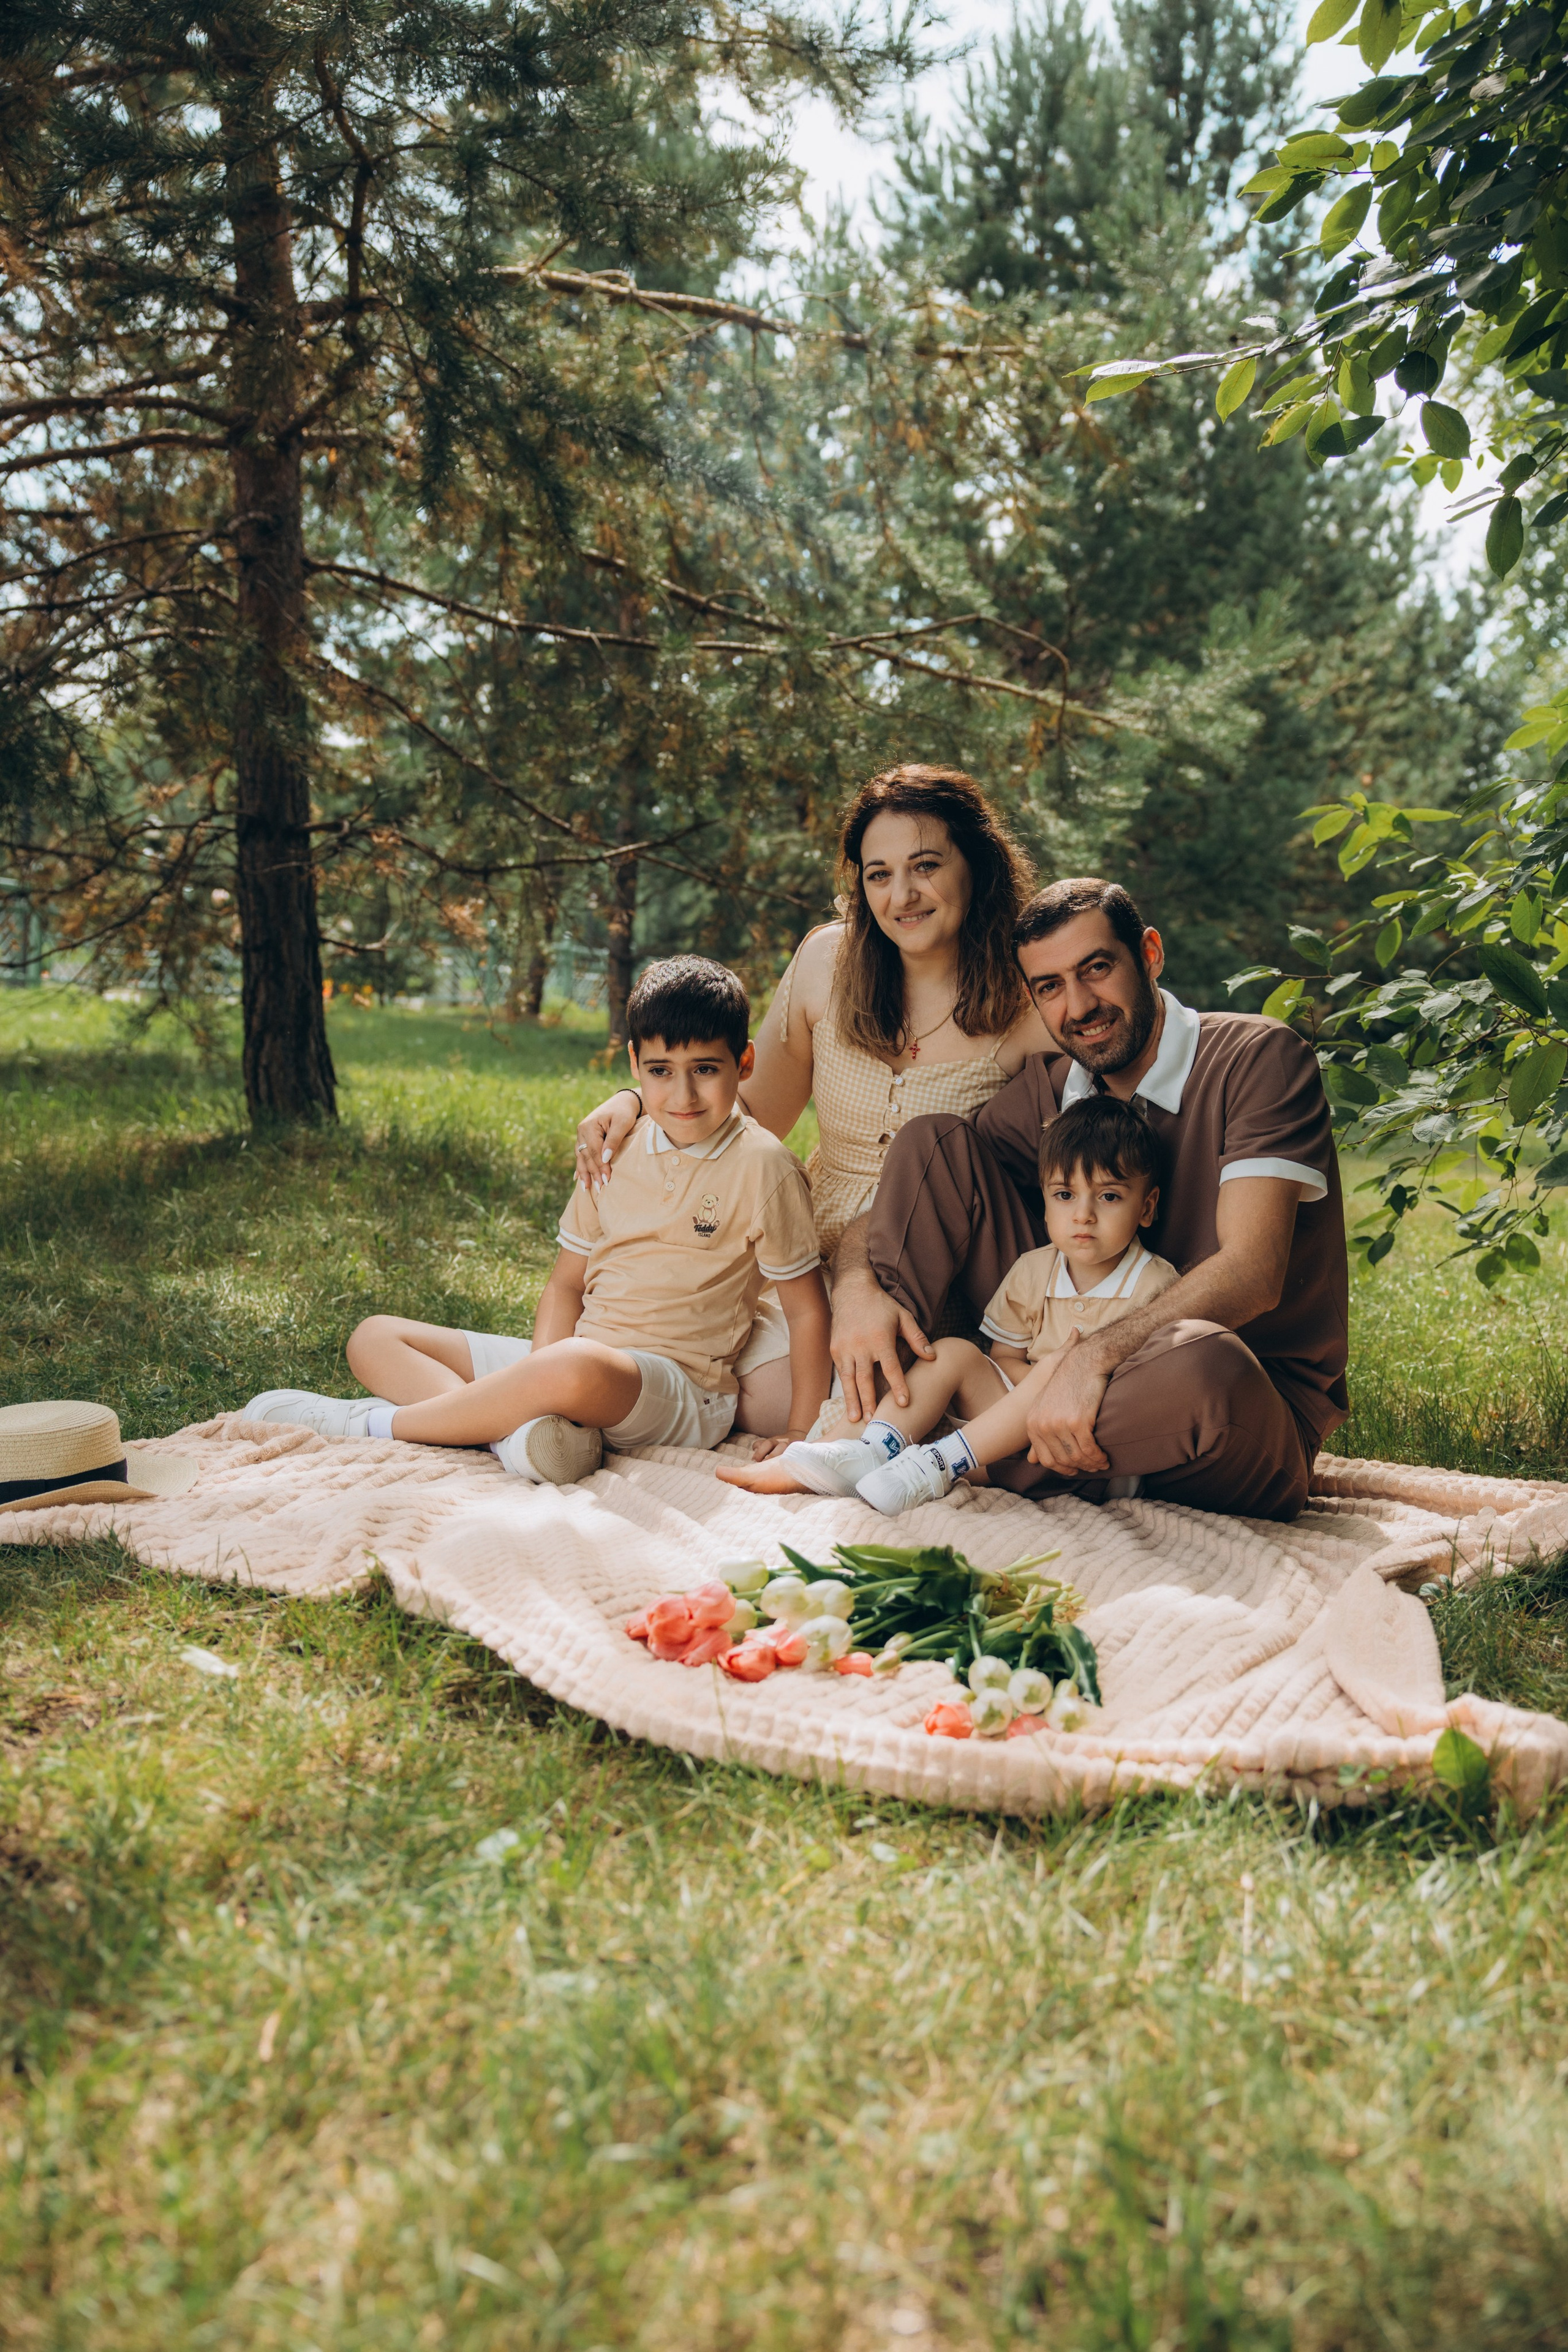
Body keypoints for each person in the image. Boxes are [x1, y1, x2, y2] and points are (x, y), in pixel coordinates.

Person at [826, 877, 1349, 1522]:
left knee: (1203, 1355)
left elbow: (1252, 1274)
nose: (1078, 1006)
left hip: (1228, 1405)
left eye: (1096, 969)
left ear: (1150, 955)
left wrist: (1093, 1358)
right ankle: (859, 1427)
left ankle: (951, 1446)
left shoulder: (1256, 1058)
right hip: (1047, 1381)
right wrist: (854, 1283)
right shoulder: (1050, 1093)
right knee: (929, 1142)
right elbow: (915, 1193)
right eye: (1049, 987)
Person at [571, 766, 1052, 1445]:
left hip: (935, 1274)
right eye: (878, 873)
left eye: (925, 866)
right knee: (724, 1375)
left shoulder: (1027, 999)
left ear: (976, 867)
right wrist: (630, 1099)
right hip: (803, 1257)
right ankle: (567, 1407)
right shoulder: (828, 962)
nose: (902, 894)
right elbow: (748, 1108)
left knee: (845, 1400)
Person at [241, 958, 832, 1483]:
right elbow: (566, 1284)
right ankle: (522, 1436)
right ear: (633, 1063)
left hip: (680, 1390)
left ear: (744, 1061)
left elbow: (806, 1311)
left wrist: (802, 1430)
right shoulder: (614, 1147)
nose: (683, 1093)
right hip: (575, 1362)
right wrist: (541, 1385)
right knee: (375, 1337)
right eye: (659, 1071)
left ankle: (378, 1425)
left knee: (571, 1365)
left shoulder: (763, 1166)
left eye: (705, 1069)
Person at [718, 1095, 1178, 1510]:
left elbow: (1144, 1391)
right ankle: (875, 1448)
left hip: (1093, 1440)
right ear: (1045, 1203)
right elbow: (1003, 1358)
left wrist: (1056, 1381)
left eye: (1110, 1197)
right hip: (1011, 1423)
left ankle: (936, 1465)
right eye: (1065, 1195)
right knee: (957, 1352)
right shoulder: (1035, 1269)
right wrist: (1034, 1386)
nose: (1084, 1214)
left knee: (1064, 1366)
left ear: (1147, 1207)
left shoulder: (1155, 1285)